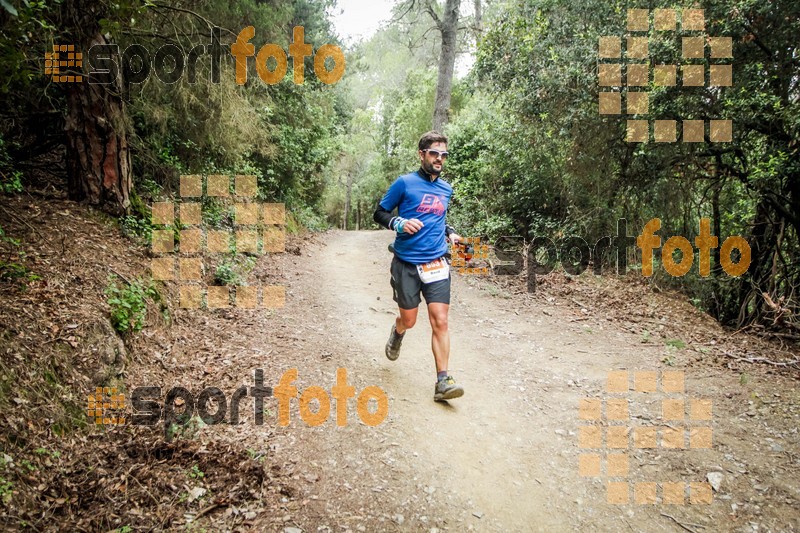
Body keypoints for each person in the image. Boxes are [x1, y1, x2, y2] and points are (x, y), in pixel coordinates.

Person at [373, 131, 464, 402]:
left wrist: (451, 233)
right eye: (434, 153)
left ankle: (443, 381)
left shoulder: (446, 188)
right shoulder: (404, 183)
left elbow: (438, 218)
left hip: (436, 262)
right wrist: (398, 223)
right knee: (410, 320)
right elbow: (380, 212)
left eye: (443, 155)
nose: (439, 159)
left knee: (441, 320)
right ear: (422, 154)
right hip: (406, 264)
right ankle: (398, 331)